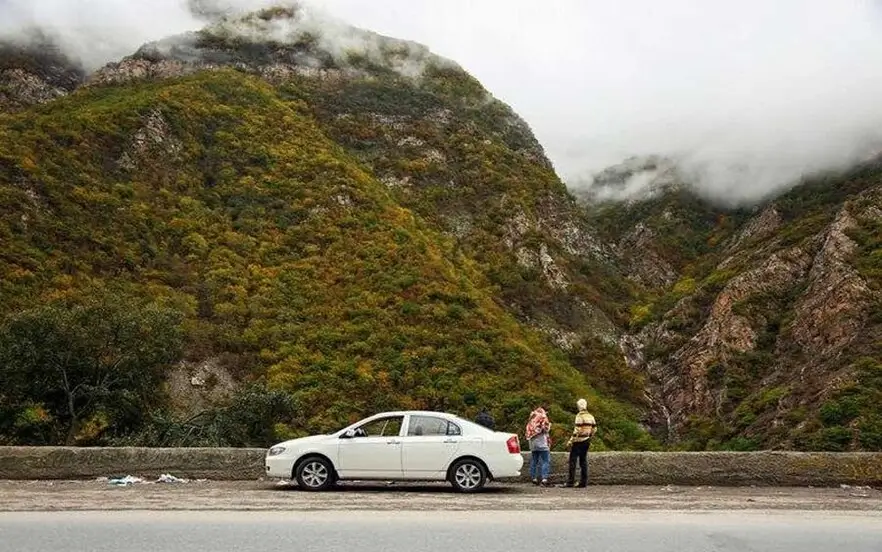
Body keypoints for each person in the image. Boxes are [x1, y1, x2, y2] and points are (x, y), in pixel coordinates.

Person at [564, 398, 596, 488]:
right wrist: (589, 435)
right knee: (583, 461)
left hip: (578, 441)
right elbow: (594, 429)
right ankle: (583, 482)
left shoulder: (579, 416)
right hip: (587, 440)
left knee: (573, 461)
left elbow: (577, 430)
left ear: (579, 407)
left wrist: (571, 441)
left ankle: (570, 481)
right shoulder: (591, 416)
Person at [525, 406, 552, 486]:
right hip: (542, 442)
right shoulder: (543, 416)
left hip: (532, 442)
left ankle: (534, 478)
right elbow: (545, 428)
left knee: (534, 460)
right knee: (545, 460)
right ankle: (544, 479)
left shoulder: (532, 417)